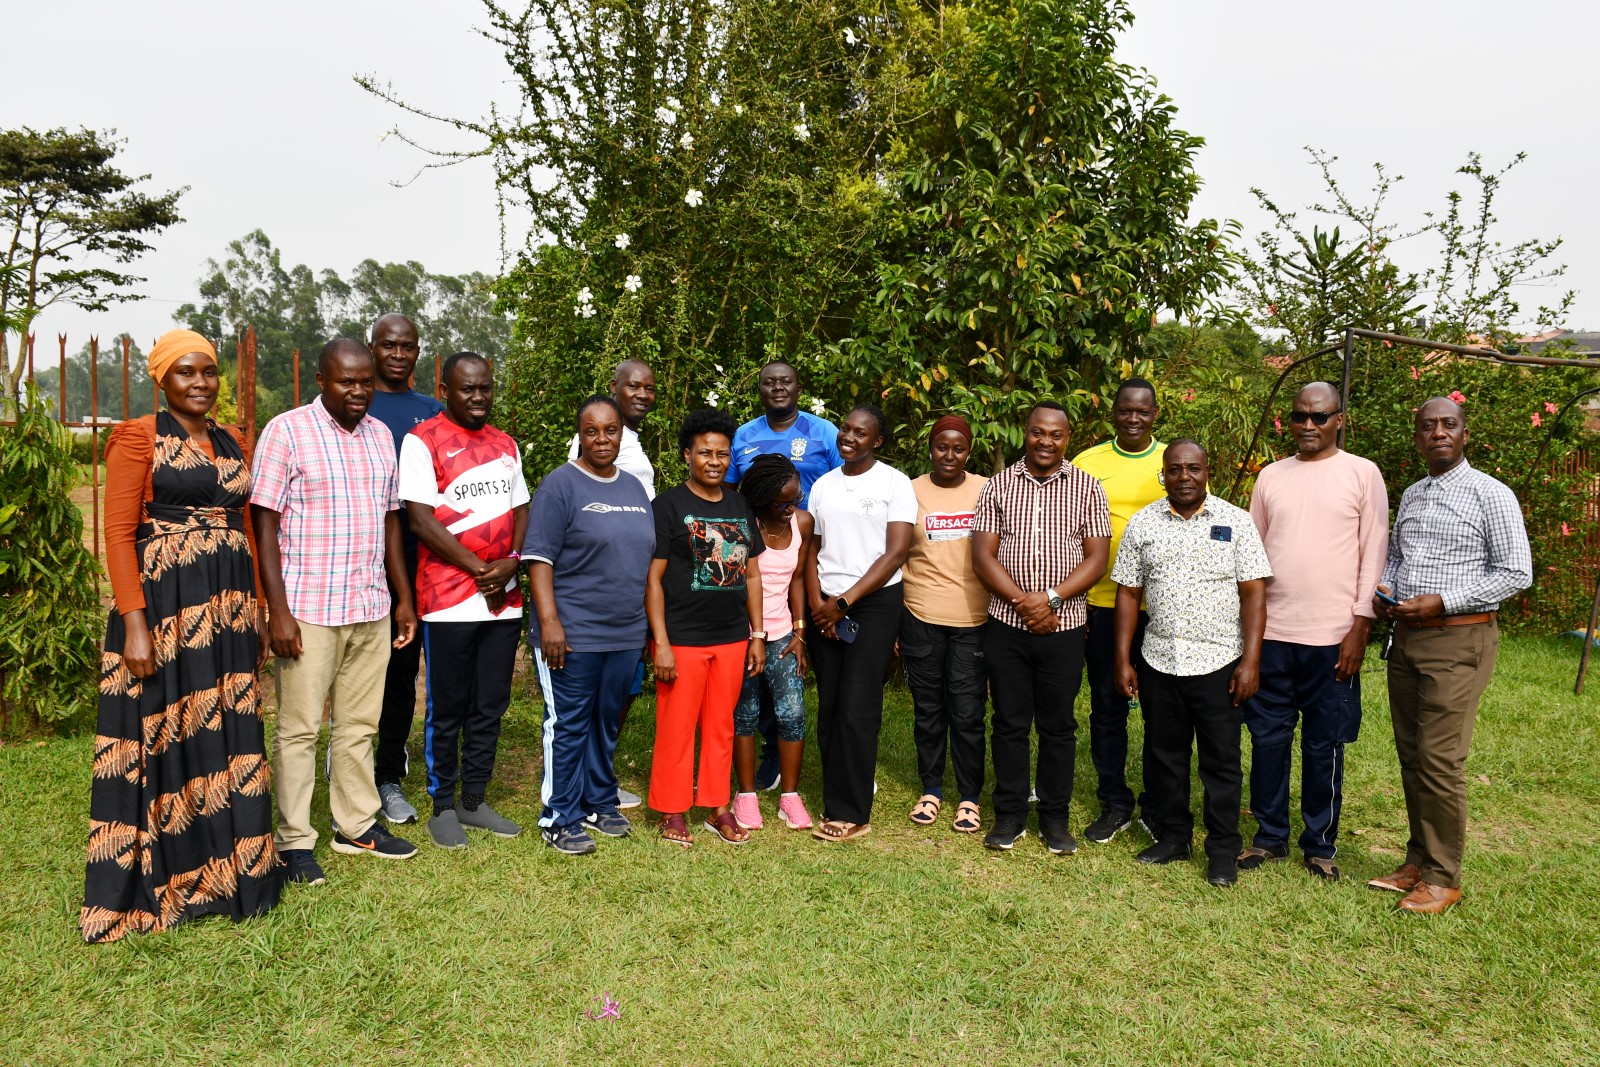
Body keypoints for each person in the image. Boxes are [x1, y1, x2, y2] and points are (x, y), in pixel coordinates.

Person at [81, 330, 284, 942]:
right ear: (162, 381)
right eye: (186, 373)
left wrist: (255, 612)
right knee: (165, 733)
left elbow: (245, 529)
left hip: (225, 610)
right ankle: (169, 879)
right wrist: (134, 627)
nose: (200, 383)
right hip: (165, 612)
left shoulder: (230, 441)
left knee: (225, 730)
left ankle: (233, 873)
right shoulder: (138, 437)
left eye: (209, 373)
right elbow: (118, 535)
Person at [253, 338, 421, 883]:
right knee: (299, 729)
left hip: (369, 604)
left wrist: (402, 599)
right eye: (346, 381)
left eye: (365, 381)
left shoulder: (380, 437)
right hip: (308, 607)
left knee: (358, 726)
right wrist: (276, 611)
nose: (358, 391)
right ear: (321, 380)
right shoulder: (286, 431)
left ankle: (357, 825)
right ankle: (295, 839)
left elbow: (392, 521)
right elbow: (264, 522)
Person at [1369, 397, 1531, 914]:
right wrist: (1387, 586)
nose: (1438, 432)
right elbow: (1399, 555)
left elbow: (1515, 573)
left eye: (1449, 425)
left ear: (1464, 435)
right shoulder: (1414, 493)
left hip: (1458, 638)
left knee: (1441, 759)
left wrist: (1443, 601)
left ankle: (1444, 878)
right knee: (1414, 756)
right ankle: (1417, 861)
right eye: (1428, 426)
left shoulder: (1491, 494)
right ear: (1417, 439)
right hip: (1408, 638)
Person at [1242, 382, 1388, 881]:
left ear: (1339, 419)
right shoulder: (1271, 477)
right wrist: (1249, 638)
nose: (1308, 425)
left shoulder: (1362, 474)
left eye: (1320, 417)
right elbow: (1252, 556)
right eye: (1300, 416)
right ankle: (1268, 837)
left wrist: (1359, 627)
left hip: (1333, 637)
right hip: (1273, 635)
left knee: (1324, 744)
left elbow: (1374, 553)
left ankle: (1320, 844)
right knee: (1267, 739)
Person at [1111, 440, 1271, 888]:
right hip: (1159, 660)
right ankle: (1174, 837)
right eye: (1175, 469)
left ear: (1207, 472)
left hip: (1219, 661)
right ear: (1163, 473)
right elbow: (1128, 593)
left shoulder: (1235, 522)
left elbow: (1255, 592)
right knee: (1166, 757)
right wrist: (1123, 659)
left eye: (1193, 468)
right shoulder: (1143, 524)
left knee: (1220, 762)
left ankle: (1222, 849)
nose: (1184, 477)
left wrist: (1251, 662)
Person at [398, 352, 530, 850]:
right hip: (450, 596)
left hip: (503, 598)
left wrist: (512, 561)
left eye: (485, 389)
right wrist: (479, 569)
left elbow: (521, 507)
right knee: (447, 705)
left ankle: (474, 800)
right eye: (468, 389)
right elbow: (420, 519)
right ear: (445, 389)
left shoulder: (504, 443)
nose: (478, 398)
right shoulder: (422, 440)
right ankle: (443, 806)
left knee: (490, 703)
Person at [971, 402, 1110, 855]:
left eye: (1055, 434)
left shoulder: (1087, 487)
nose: (1045, 441)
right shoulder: (998, 486)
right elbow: (983, 556)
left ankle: (1055, 817)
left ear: (1067, 438)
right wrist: (1023, 603)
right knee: (1009, 723)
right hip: (1007, 625)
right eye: (1037, 433)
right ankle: (1009, 814)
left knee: (1058, 726)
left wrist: (1049, 600)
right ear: (1024, 434)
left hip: (1065, 625)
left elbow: (1096, 558)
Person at [522, 396, 656, 856]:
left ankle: (599, 802)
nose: (603, 439)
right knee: (568, 724)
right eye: (593, 431)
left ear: (623, 433)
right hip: (573, 632)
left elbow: (642, 562)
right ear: (580, 434)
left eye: (611, 430)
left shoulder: (635, 489)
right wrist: (551, 623)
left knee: (605, 722)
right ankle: (558, 816)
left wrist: (643, 630)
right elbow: (538, 560)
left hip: (624, 633)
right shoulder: (560, 485)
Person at [646, 409, 768, 845]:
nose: (714, 461)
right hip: (682, 638)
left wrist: (757, 635)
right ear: (687, 455)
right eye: (704, 453)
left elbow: (752, 575)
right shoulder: (668, 505)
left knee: (721, 726)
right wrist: (660, 641)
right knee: (677, 726)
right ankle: (672, 811)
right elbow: (653, 579)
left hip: (733, 638)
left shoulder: (739, 504)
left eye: (722, 453)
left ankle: (718, 807)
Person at [726, 360, 843, 792]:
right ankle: (761, 760)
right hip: (759, 551)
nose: (778, 388)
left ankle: (786, 755)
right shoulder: (745, 436)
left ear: (798, 387)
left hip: (806, 550)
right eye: (769, 382)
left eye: (786, 381)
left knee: (791, 670)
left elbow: (843, 480)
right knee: (751, 690)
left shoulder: (823, 432)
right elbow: (734, 493)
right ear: (759, 389)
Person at [804, 404, 916, 842]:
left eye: (861, 433)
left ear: (878, 441)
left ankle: (852, 812)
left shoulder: (895, 483)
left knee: (857, 704)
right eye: (846, 429)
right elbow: (810, 550)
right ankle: (836, 793)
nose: (849, 437)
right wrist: (818, 604)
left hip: (873, 603)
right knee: (830, 705)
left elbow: (895, 553)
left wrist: (845, 603)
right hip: (825, 604)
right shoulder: (824, 486)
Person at [1071, 379, 1166, 844]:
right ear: (1113, 413)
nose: (1133, 418)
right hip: (1101, 604)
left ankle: (1156, 804)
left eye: (1142, 411)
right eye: (1125, 410)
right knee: (1108, 707)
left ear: (1154, 414)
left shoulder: (1171, 461)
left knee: (1159, 709)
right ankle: (1115, 801)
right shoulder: (1088, 462)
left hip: (1163, 608)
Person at [566, 357, 657, 809]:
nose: (642, 394)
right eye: (633, 386)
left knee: (620, 695)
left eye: (649, 388)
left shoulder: (634, 444)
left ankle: (598, 774)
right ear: (613, 388)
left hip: (632, 598)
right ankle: (578, 778)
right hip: (594, 605)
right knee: (588, 701)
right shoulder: (593, 445)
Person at [367, 313, 444, 826]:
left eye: (408, 346)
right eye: (388, 344)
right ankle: (349, 753)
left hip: (419, 567)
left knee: (400, 675)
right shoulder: (350, 399)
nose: (398, 353)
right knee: (357, 673)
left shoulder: (433, 412)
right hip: (356, 562)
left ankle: (388, 772)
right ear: (372, 347)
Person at [900, 415, 990, 834]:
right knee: (929, 709)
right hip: (920, 615)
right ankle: (932, 790)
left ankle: (969, 798)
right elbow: (897, 553)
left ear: (968, 451)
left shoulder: (987, 489)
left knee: (968, 711)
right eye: (941, 447)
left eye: (958, 448)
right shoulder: (909, 490)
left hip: (974, 618)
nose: (949, 455)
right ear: (930, 448)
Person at [730, 455, 815, 831]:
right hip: (741, 638)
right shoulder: (741, 525)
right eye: (783, 502)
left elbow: (796, 578)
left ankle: (790, 797)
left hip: (782, 636)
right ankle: (745, 795)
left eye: (795, 499)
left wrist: (800, 633)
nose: (791, 508)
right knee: (744, 715)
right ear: (760, 500)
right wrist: (753, 637)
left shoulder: (802, 523)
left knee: (792, 715)